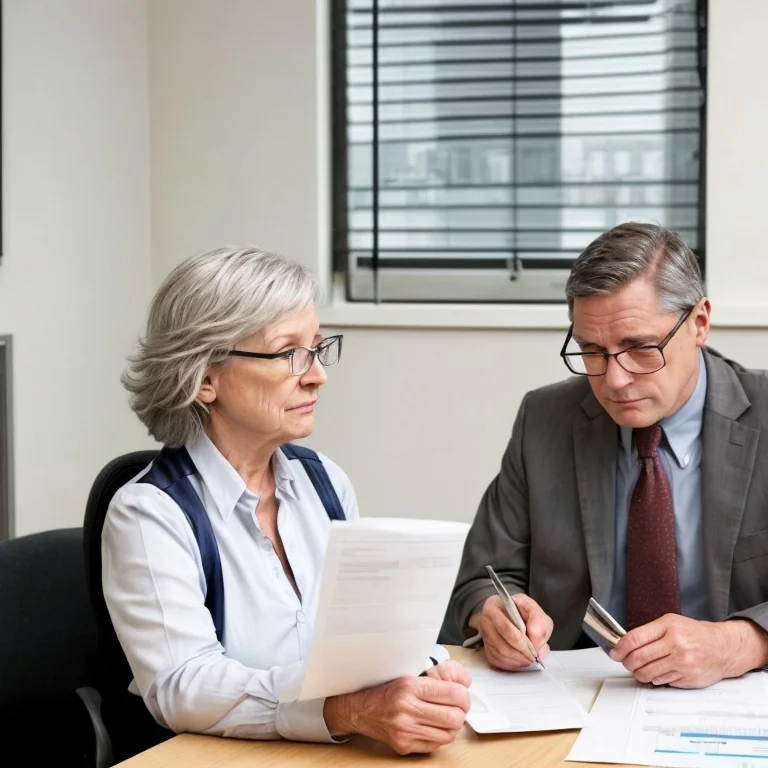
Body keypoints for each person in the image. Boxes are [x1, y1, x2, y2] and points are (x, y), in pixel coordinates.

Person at [103, 246, 471, 754]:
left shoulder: (325, 483)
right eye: (289, 353)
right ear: (204, 377)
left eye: (318, 349)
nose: (318, 374)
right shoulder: (149, 514)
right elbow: (182, 688)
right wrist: (341, 710)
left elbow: (368, 638)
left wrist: (423, 671)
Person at [449, 222, 768, 689]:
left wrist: (739, 643)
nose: (615, 380)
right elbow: (481, 578)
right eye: (593, 351)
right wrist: (494, 613)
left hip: (731, 698)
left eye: (640, 348)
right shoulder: (544, 419)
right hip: (573, 695)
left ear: (699, 322)